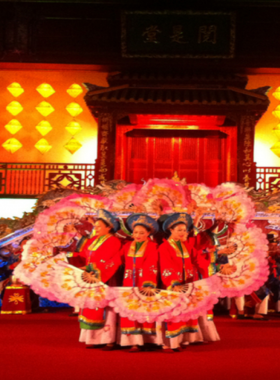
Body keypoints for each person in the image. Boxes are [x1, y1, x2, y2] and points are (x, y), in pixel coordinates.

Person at [66, 209, 122, 350]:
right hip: (91, 277)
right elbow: (84, 255)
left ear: (108, 227)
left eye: (98, 226)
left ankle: (109, 339)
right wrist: (68, 256)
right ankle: (92, 338)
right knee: (91, 307)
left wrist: (92, 268)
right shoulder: (93, 240)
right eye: (95, 226)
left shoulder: (114, 241)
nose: (95, 229)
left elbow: (111, 260)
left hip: (105, 278)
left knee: (106, 309)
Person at [158, 213, 210, 352]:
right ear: (171, 230)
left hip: (187, 284)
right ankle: (170, 343)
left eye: (184, 230)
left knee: (185, 313)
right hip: (172, 286)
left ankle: (184, 339)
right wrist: (173, 282)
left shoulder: (186, 245)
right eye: (179, 230)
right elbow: (165, 266)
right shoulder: (164, 247)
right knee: (173, 314)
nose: (183, 232)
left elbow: (199, 260)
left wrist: (217, 266)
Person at [118, 213, 159, 352]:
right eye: (135, 232)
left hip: (145, 282)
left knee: (144, 310)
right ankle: (133, 342)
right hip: (128, 282)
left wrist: (149, 282)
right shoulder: (127, 246)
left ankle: (147, 340)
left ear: (148, 233)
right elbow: (118, 261)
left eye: (142, 232)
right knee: (130, 311)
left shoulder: (153, 246)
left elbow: (152, 264)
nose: (138, 235)